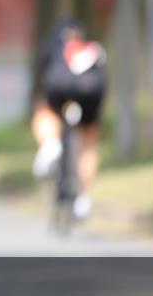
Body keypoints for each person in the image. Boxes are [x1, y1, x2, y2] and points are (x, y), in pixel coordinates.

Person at [30, 17, 107, 219]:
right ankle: (83, 197)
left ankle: (50, 144)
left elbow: (43, 69)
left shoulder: (54, 46)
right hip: (90, 94)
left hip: (58, 89)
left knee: (45, 111)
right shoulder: (92, 49)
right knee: (88, 144)